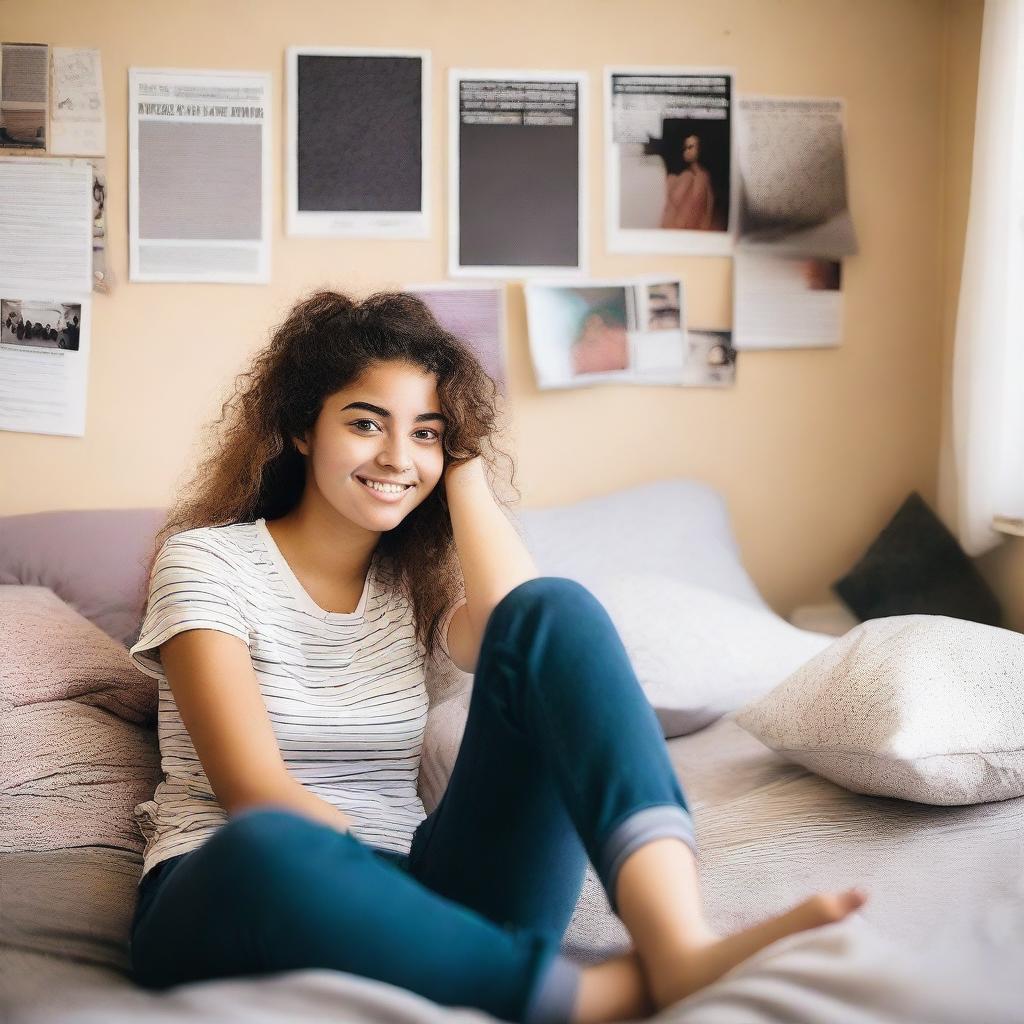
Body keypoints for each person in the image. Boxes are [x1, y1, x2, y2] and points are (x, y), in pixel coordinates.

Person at [126, 289, 866, 1024]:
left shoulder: (412, 589)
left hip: (423, 886)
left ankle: (675, 943)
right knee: (268, 845)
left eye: (425, 433)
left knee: (559, 606)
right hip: (235, 888)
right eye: (365, 423)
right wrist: (395, 904)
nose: (395, 456)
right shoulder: (207, 562)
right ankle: (587, 997)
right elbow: (252, 789)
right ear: (299, 429)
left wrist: (465, 468)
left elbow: (527, 624)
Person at [659, 133, 715, 231]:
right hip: (680, 228)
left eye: (690, 147)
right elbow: (673, 202)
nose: (687, 151)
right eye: (685, 148)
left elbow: (710, 201)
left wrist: (706, 221)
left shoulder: (703, 176)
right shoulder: (681, 176)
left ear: (699, 149)